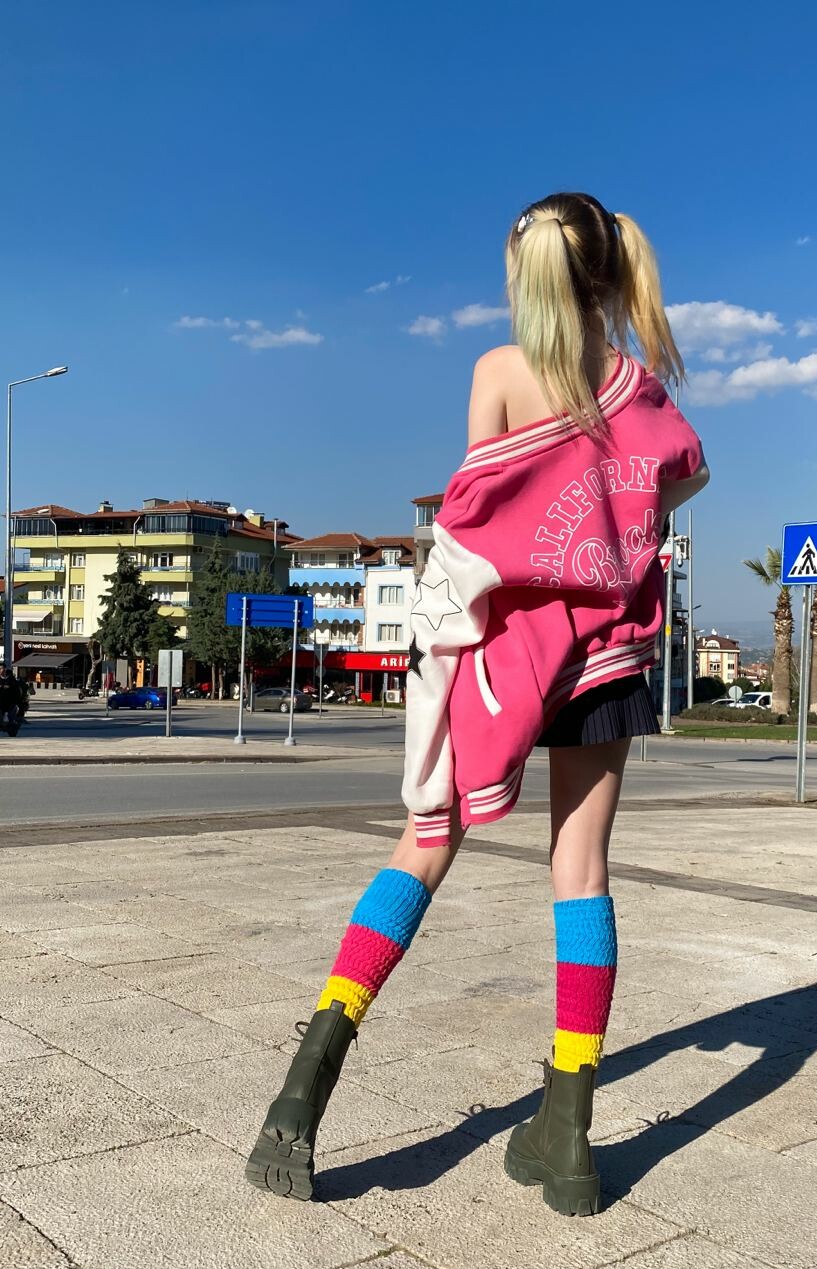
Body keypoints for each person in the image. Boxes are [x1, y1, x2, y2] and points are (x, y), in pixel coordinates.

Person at [246, 192, 710, 1213]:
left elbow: (472, 521)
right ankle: (570, 1139)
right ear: (607, 273)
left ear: (525, 272)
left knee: (423, 843)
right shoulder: (642, 389)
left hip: (503, 660)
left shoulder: (498, 373)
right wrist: (610, 526)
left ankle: (302, 1092)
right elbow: (686, 477)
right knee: (581, 874)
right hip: (607, 657)